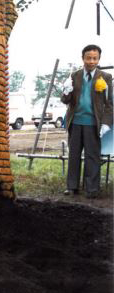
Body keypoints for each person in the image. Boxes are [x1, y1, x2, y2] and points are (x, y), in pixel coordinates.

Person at [61, 44, 113, 198]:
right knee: (74, 155)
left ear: (99, 59)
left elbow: (110, 104)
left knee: (92, 156)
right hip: (75, 122)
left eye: (95, 58)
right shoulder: (74, 76)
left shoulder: (106, 77)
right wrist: (65, 91)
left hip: (93, 123)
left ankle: (92, 189)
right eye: (88, 58)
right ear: (82, 58)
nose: (91, 61)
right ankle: (72, 187)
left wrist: (106, 123)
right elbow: (66, 100)